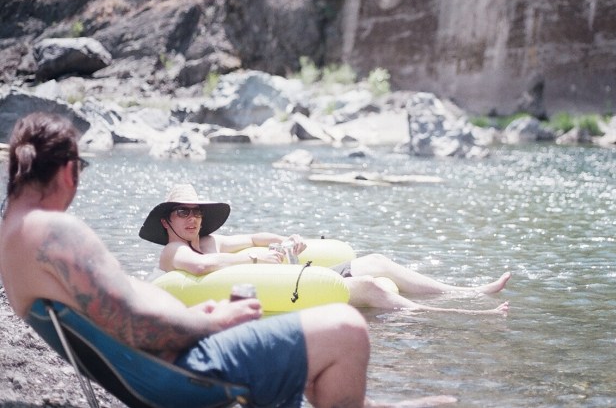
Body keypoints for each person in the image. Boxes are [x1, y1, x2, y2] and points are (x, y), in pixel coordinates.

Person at [0, 112, 377, 408]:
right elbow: (136, 322)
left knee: (324, 371)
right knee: (347, 329)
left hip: (150, 374)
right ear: (69, 171)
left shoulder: (13, 239)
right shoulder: (53, 231)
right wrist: (214, 321)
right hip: (181, 375)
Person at [140, 184, 511, 315]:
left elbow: (254, 238)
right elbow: (204, 268)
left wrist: (286, 241)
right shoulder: (173, 254)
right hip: (285, 290)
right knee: (372, 287)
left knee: (377, 261)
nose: (191, 218)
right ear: (166, 221)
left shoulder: (211, 240)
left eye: (195, 211)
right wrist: (253, 258)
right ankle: (458, 314)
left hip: (288, 279)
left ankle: (466, 291)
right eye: (182, 212)